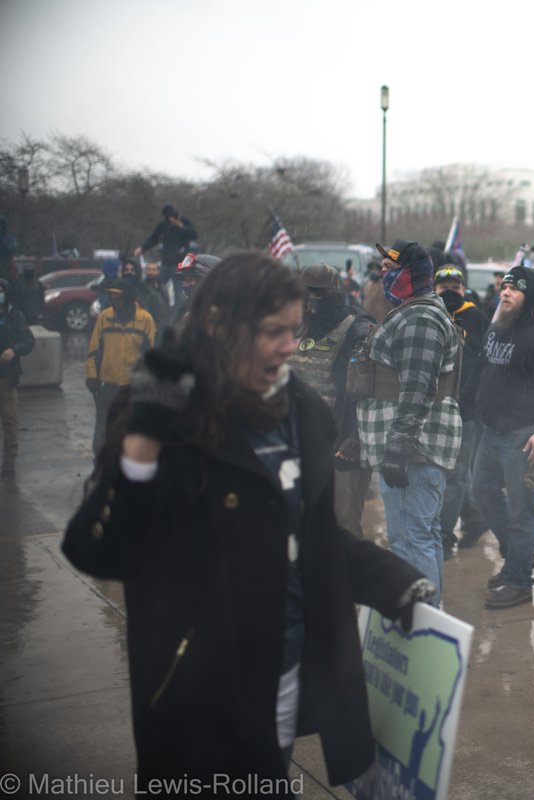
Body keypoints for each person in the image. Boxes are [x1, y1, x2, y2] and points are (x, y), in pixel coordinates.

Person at [61, 252, 434, 789]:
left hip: (280, 679)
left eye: (294, 329)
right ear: (219, 325)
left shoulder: (300, 411)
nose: (289, 346)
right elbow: (99, 549)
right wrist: (146, 431)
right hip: (194, 691)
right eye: (271, 332)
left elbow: (312, 534)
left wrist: (394, 584)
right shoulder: (168, 409)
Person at [356, 241, 461, 607]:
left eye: (390, 266)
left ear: (413, 273)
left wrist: (398, 446)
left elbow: (417, 388)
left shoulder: (419, 319)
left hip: (413, 451)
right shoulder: (414, 312)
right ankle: (430, 616)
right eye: (382, 266)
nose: (384, 273)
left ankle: (419, 628)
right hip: (414, 447)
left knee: (410, 541)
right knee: (423, 536)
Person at [472, 265, 534, 609]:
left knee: (521, 510)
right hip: (491, 432)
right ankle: (518, 559)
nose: (506, 292)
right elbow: (484, 372)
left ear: (532, 297)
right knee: (481, 492)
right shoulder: (496, 329)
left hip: (523, 436)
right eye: (505, 286)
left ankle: (518, 581)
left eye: (515, 288)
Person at [288, 264, 373, 539]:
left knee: (343, 530)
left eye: (316, 294)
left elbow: (369, 395)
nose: (309, 301)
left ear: (333, 294)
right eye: (304, 293)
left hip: (341, 449)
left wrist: (356, 437)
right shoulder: (294, 327)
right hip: (298, 446)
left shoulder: (358, 331)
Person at [432, 265, 490, 554]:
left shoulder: (476, 318)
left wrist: (472, 398)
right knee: (443, 472)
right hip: (433, 408)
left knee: (455, 474)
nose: (450, 292)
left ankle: (443, 535)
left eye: (455, 287)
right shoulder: (430, 314)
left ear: (463, 289)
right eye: (444, 288)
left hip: (466, 411)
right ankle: (475, 516)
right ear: (435, 288)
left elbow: (484, 363)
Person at [86, 280, 156, 455]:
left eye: (117, 294)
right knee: (103, 430)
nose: (113, 298)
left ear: (128, 297)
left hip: (133, 388)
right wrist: (92, 376)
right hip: (108, 386)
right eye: (111, 294)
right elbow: (94, 349)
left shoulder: (145, 319)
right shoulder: (104, 317)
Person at [0, 278, 35, 478]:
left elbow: (29, 341)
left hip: (7, 377)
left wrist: (14, 350)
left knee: (9, 420)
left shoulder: (15, 316)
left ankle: (9, 461)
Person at [134, 204, 198, 302]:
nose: (171, 220)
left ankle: (177, 313)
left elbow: (194, 235)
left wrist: (180, 226)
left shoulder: (185, 222)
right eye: (169, 218)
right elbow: (153, 239)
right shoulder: (164, 225)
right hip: (166, 262)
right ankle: (158, 305)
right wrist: (142, 248)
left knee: (179, 293)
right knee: (158, 287)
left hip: (180, 264)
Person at [121, 259, 170, 341]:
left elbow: (161, 315)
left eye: (132, 270)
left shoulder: (149, 292)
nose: (129, 273)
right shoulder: (117, 291)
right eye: (126, 270)